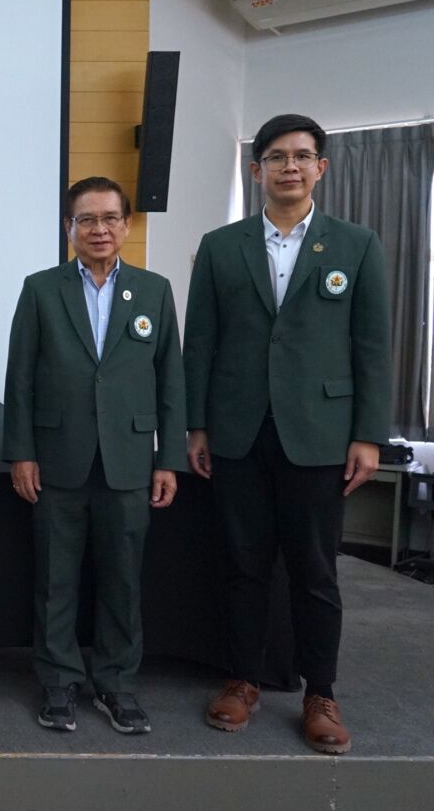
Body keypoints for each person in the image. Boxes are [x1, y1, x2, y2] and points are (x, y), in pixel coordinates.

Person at [186, 113, 390, 755]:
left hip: (320, 434)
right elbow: (202, 345)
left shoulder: (356, 245)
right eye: (276, 157)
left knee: (314, 571)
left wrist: (368, 435)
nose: (290, 167)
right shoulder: (222, 245)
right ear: (257, 170)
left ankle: (320, 693)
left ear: (321, 168)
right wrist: (197, 423)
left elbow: (372, 346)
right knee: (244, 567)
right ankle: (243, 678)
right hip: (238, 431)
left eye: (302, 156)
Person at [3, 175, 186, 735]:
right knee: (56, 578)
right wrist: (21, 453)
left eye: (110, 218)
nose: (99, 229)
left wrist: (168, 459)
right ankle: (58, 682)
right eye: (87, 220)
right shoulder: (41, 288)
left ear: (126, 225)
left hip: (130, 460)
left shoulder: (154, 290)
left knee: (123, 580)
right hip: (58, 458)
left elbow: (170, 380)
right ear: (69, 229)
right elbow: (21, 379)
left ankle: (116, 683)